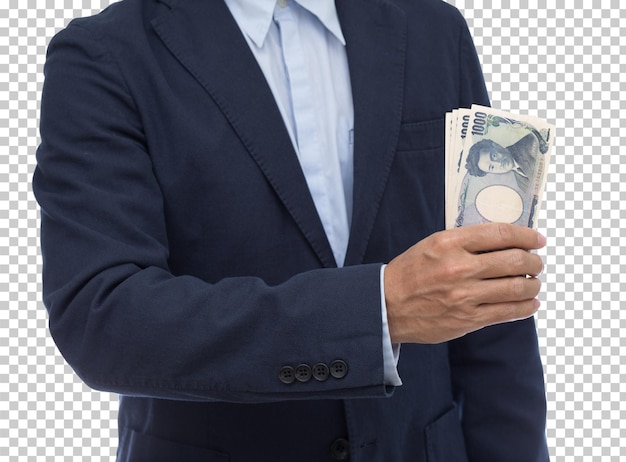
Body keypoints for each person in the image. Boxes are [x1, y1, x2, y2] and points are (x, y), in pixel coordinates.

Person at [33, 0, 550, 460]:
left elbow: (492, 293)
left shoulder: (434, 28)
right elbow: (102, 317)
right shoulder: (104, 55)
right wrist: (377, 309)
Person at [464, 134, 540, 193]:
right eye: (492, 167)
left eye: (494, 156)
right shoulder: (521, 183)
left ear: (497, 145)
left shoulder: (533, 144)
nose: (498, 163)